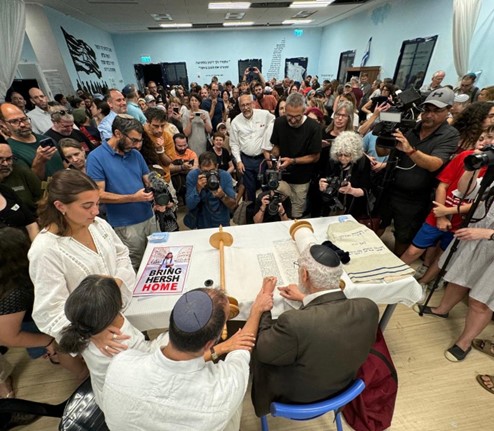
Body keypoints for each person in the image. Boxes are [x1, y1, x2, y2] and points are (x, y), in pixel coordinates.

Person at [103, 281, 275, 431]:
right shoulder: (222, 391)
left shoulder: (119, 365)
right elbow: (243, 347)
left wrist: (221, 348)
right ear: (209, 344)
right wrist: (257, 309)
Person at [251, 245, 379, 416]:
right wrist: (306, 298)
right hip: (341, 390)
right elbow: (330, 323)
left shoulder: (294, 322)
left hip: (296, 399)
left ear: (305, 275)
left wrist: (264, 304)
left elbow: (262, 350)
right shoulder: (368, 308)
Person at [28, 169, 136, 368]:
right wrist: (92, 334)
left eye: (97, 203)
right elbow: (49, 311)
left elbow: (121, 254)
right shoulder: (45, 251)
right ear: (60, 206)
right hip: (99, 334)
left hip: (125, 313)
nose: (95, 211)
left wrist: (116, 282)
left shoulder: (98, 225)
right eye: (87, 206)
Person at [413, 165, 494, 362]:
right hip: (474, 238)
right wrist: (472, 168)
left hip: (486, 240)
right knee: (459, 276)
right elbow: (466, 190)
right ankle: (442, 309)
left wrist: (488, 234)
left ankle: (464, 342)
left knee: (480, 300)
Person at [401, 127, 494, 288]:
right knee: (414, 250)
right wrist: (441, 215)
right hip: (439, 211)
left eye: (490, 139)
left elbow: (481, 203)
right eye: (483, 138)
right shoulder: (465, 157)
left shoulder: (491, 170)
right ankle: (392, 276)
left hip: (462, 222)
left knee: (443, 255)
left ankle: (423, 283)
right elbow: (442, 186)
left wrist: (448, 212)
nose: (486, 143)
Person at [377, 88, 459, 255]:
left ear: (448, 110)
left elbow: (435, 164)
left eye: (436, 111)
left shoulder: (449, 135)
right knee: (377, 224)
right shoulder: (409, 127)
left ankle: (397, 265)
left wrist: (410, 150)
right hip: (389, 188)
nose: (429, 115)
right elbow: (381, 152)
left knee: (403, 237)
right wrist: (384, 132)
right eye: (426, 110)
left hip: (415, 198)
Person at [86, 115, 159, 270]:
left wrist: (157, 187)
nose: (137, 145)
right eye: (134, 140)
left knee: (155, 259)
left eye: (140, 141)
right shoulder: (96, 158)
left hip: (149, 216)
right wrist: (133, 198)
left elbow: (148, 179)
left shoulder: (135, 154)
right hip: (125, 224)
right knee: (134, 265)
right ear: (118, 133)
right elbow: (98, 195)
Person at [0, 228, 57, 399]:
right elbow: (7, 337)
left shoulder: (19, 278)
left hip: (32, 318)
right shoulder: (15, 292)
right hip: (32, 325)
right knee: (59, 352)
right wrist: (48, 341)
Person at [264, 92, 322, 218]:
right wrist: (274, 158)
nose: (293, 120)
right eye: (289, 116)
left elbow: (315, 157)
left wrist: (292, 161)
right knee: (276, 210)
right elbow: (276, 146)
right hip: (282, 177)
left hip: (301, 180)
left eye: (297, 116)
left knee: (296, 214)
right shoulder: (279, 122)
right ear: (285, 110)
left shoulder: (314, 127)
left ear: (304, 111)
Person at [0, 103, 64, 180]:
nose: (22, 124)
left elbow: (62, 163)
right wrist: (39, 162)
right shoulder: (9, 150)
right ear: (3, 124)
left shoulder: (46, 138)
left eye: (24, 119)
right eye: (14, 121)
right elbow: (29, 182)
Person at [230, 94, 275, 201]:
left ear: (253, 104)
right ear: (239, 107)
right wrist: (238, 161)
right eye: (243, 105)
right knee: (249, 189)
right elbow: (234, 144)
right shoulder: (235, 122)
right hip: (246, 160)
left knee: (265, 187)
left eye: (248, 104)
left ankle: (265, 209)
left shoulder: (264, 114)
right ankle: (251, 209)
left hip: (262, 159)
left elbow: (274, 122)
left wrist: (269, 145)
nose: (246, 108)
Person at [318, 131, 372, 218]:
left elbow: (365, 191)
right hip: (331, 207)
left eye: (347, 155)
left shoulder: (363, 162)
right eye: (339, 154)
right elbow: (324, 178)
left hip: (353, 208)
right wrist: (322, 185)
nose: (342, 158)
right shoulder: (332, 161)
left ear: (354, 154)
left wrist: (351, 190)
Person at [185, 151, 236, 229]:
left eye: (212, 171)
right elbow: (190, 205)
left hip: (221, 221)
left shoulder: (225, 176)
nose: (209, 174)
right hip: (201, 221)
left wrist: (223, 196)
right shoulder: (193, 176)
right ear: (199, 168)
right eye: (205, 171)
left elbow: (233, 205)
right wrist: (198, 189)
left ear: (217, 166)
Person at [0, 143, 42, 215]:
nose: (6, 164)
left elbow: (43, 198)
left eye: (9, 159)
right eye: (0, 159)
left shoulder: (22, 172)